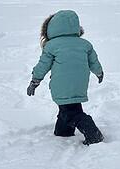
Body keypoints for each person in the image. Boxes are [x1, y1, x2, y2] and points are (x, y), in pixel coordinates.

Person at [26, 10, 104, 145]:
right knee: (71, 107)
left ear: (51, 28)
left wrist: (35, 81)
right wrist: (99, 72)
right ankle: (63, 131)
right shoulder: (85, 44)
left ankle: (93, 133)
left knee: (70, 111)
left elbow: (43, 65)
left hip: (61, 85)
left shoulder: (51, 46)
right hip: (80, 84)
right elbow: (94, 62)